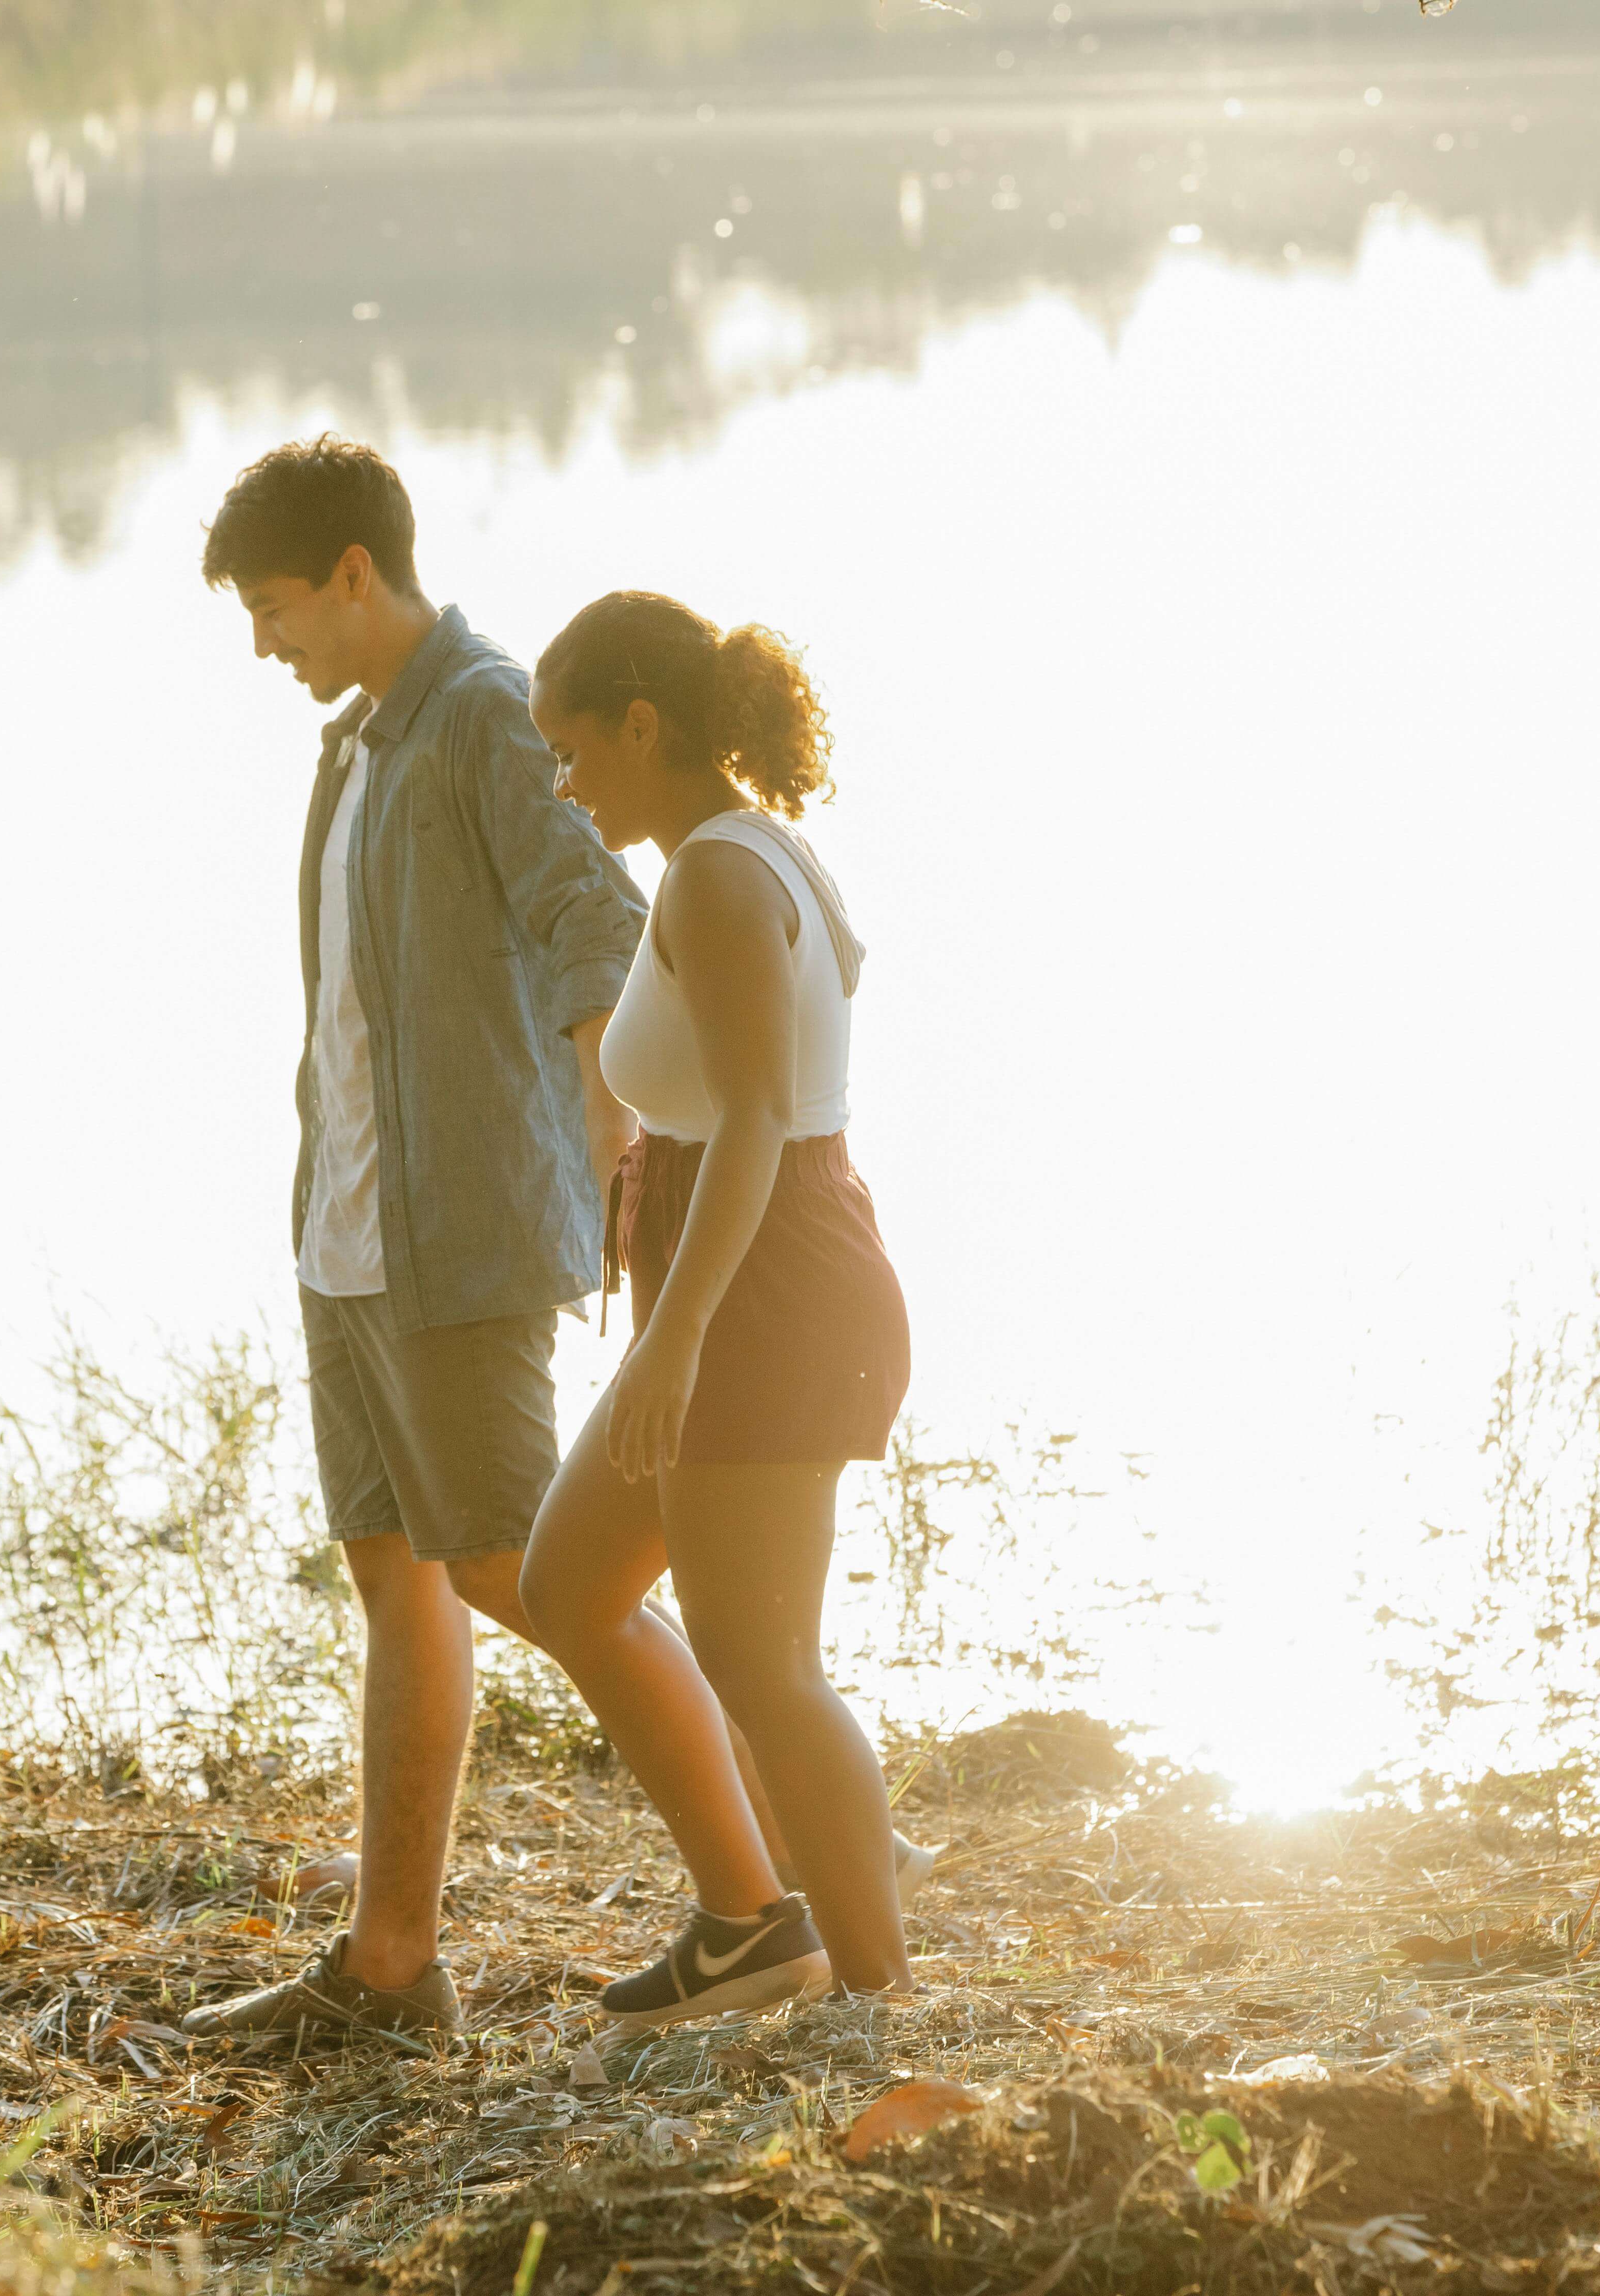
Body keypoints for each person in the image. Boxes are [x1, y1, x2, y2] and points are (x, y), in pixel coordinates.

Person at [177, 443, 922, 2042]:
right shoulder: (361, 748)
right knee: (449, 1571)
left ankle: (806, 1932)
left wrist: (615, 1204)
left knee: (663, 1618)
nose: (265, 641)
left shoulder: (506, 730)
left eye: (280, 605)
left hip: (519, 1238)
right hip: (359, 1224)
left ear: (361, 571)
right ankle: (399, 1964)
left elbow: (619, 960)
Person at [518, 591, 919, 2027]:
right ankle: (760, 1916)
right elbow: (724, 1108)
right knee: (568, 1584)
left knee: (763, 1664)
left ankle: (876, 1994)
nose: (567, 786)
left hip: (764, 1287)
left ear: (645, 722)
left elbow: (758, 1119)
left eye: (573, 752)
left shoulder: (716, 875)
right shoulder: (732, 853)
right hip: (730, 1265)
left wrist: (675, 1340)